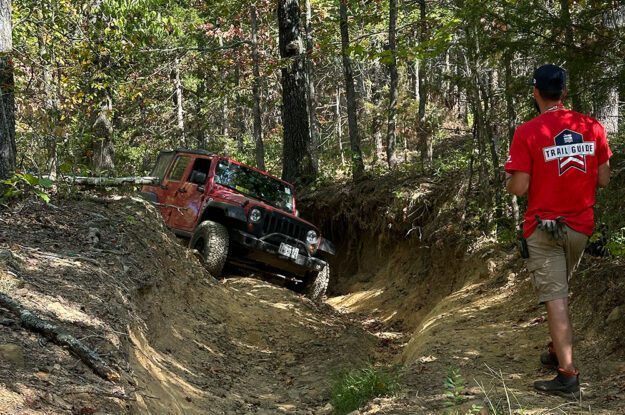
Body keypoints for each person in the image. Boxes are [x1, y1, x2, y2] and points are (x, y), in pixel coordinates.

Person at [504, 64, 612, 398]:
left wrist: (508, 179)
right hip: (581, 226)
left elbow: (519, 188)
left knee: (556, 298)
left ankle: (567, 377)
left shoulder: (528, 132)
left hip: (545, 227)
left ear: (535, 91)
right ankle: (555, 350)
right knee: (560, 290)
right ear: (563, 91)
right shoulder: (592, 126)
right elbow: (604, 178)